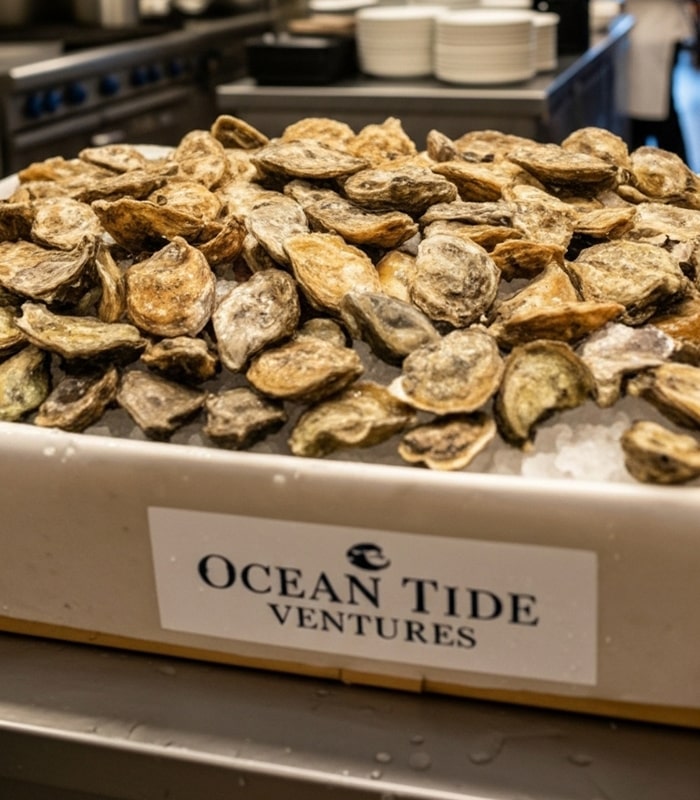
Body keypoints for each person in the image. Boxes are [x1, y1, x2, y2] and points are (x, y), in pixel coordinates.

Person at [624, 0, 695, 160]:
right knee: (651, 115)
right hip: (644, 30)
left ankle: (676, 170)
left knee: (660, 117)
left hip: (658, 30)